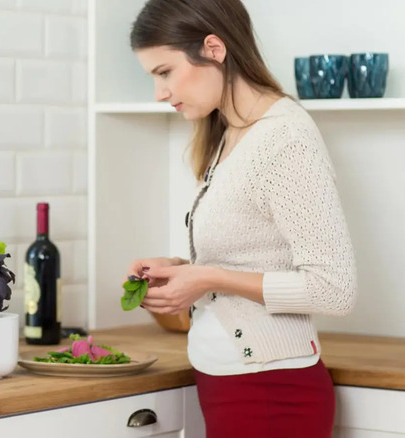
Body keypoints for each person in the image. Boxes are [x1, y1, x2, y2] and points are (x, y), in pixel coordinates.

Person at [124, 0, 357, 437]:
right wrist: (183, 271)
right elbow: (253, 255)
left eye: (164, 72)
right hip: (231, 384)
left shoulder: (284, 138)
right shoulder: (229, 134)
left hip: (272, 392)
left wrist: (209, 277)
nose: (159, 93)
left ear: (213, 49)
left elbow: (334, 289)